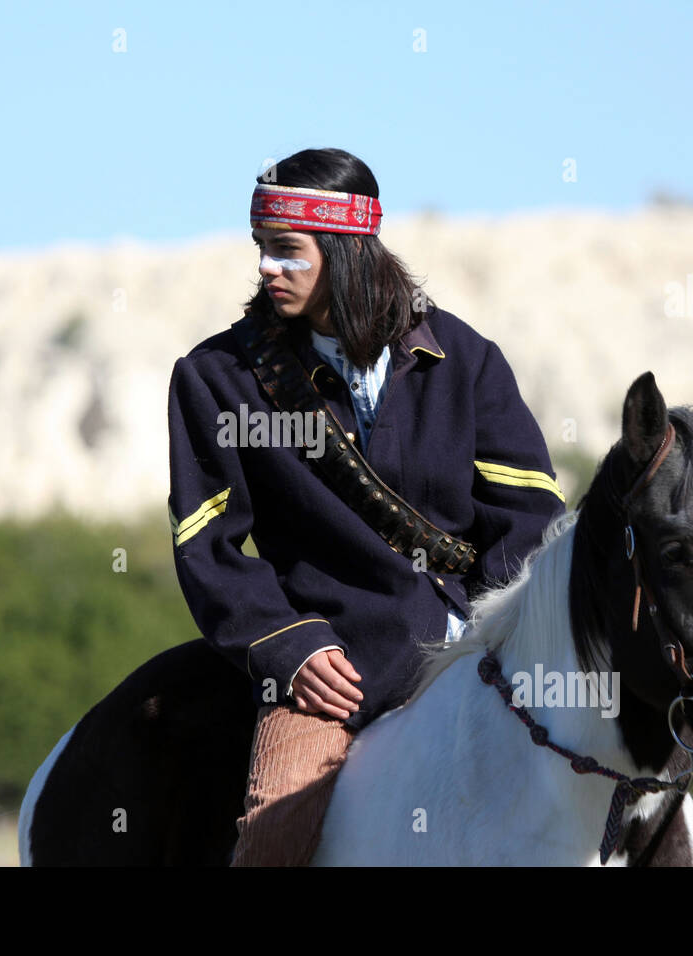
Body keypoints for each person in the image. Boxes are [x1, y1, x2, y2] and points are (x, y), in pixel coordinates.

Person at [166, 147, 566, 866]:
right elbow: (210, 547)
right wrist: (290, 648)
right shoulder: (215, 378)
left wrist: (493, 631)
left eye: (287, 251)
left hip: (473, 653)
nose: (265, 269)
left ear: (346, 250)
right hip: (329, 673)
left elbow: (529, 520)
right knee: (271, 835)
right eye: (261, 250)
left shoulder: (466, 359)